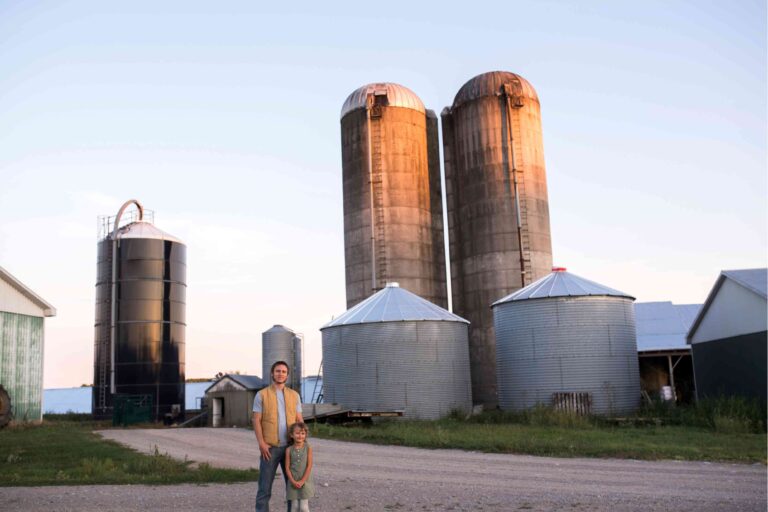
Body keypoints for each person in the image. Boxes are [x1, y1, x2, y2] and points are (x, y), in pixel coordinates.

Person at [253, 361, 303, 512]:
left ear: (287, 375)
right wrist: (261, 443)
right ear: (272, 373)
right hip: (270, 449)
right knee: (264, 489)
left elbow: (299, 420)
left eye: (283, 371)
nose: (280, 374)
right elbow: (256, 420)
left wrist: (301, 443)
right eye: (277, 371)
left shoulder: (294, 395)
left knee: (292, 488)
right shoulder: (261, 395)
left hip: (290, 448)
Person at [285, 422, 315, 512]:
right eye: (297, 433)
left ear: (305, 435)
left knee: (303, 508)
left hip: (305, 481)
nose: (300, 436)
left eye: (302, 433)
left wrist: (302, 481)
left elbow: (309, 465)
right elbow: (287, 467)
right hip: (293, 481)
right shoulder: (288, 450)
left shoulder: (308, 448)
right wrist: (292, 481)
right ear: (291, 435)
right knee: (294, 507)